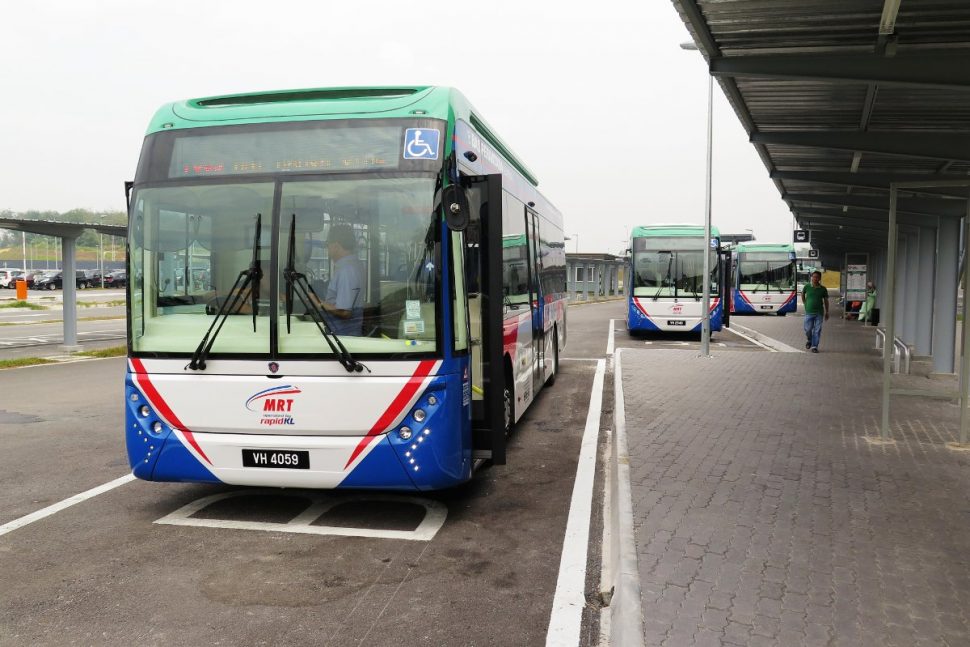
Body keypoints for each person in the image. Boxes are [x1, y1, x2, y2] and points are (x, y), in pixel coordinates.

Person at [321, 224, 363, 336]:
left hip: (343, 336)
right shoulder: (353, 265)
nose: (327, 248)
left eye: (327, 244)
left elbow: (344, 312)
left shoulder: (346, 270)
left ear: (336, 245)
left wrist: (317, 302)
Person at [801, 270, 829, 353]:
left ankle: (814, 346)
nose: (815, 278)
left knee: (817, 330)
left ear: (820, 278)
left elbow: (826, 300)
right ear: (811, 277)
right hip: (809, 312)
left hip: (819, 313)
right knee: (808, 329)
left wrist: (827, 312)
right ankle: (809, 340)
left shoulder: (823, 289)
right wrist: (805, 303)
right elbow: (802, 294)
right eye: (814, 277)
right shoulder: (807, 287)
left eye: (817, 277)